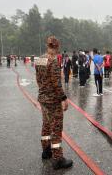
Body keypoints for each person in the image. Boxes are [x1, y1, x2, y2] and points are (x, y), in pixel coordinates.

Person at [35, 36, 73, 170]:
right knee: (56, 128)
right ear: (57, 47)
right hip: (53, 100)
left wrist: (43, 91)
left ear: (47, 45)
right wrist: (63, 98)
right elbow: (56, 83)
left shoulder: (40, 59)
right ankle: (58, 158)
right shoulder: (53, 61)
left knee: (46, 124)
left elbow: (38, 79)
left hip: (43, 98)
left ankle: (46, 150)